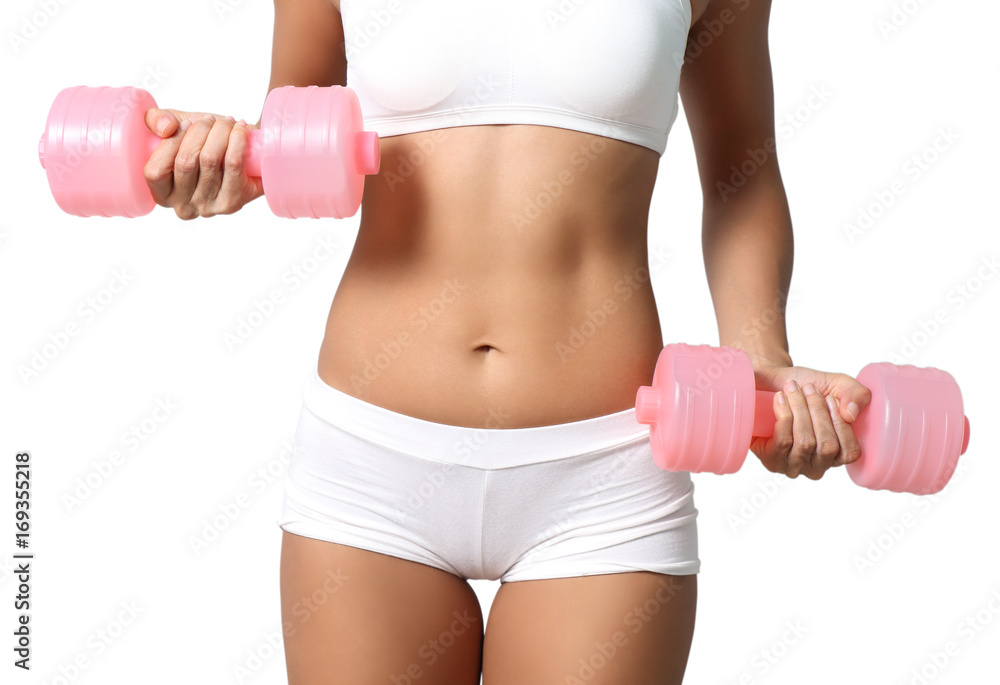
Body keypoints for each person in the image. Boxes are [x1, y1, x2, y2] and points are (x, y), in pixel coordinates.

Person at [140, 0, 872, 682]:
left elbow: (742, 174)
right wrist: (215, 160)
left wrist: (761, 354)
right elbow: (287, 137)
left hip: (604, 474)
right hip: (372, 463)